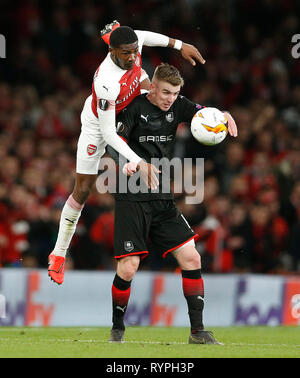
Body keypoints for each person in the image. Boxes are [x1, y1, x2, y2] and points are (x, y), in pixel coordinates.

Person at [48, 21, 207, 284]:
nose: (133, 56)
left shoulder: (133, 43)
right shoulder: (106, 82)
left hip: (129, 107)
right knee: (84, 189)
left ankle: (175, 242)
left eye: (135, 50)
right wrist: (138, 161)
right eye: (126, 53)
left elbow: (149, 37)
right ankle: (59, 253)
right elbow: (109, 134)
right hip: (100, 124)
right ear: (112, 52)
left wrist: (181, 46)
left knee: (147, 84)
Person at [107, 63, 237, 344]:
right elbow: (112, 141)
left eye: (175, 93)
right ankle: (118, 327)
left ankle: (197, 332)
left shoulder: (178, 106)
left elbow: (203, 113)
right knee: (128, 268)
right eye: (165, 92)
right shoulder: (132, 109)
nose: (170, 98)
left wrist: (222, 115)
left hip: (162, 197)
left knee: (192, 257)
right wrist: (131, 163)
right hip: (131, 195)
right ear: (152, 87)